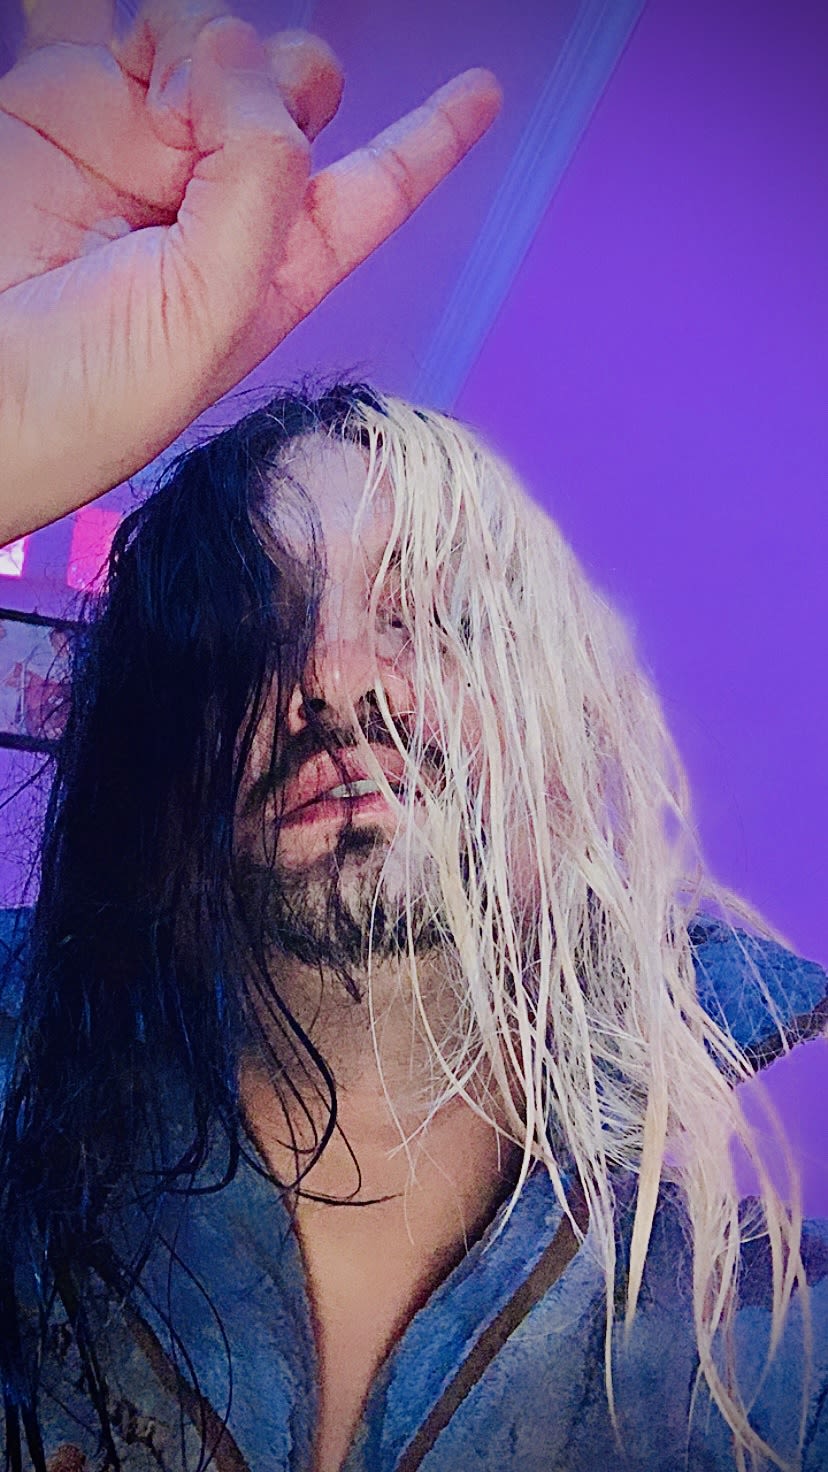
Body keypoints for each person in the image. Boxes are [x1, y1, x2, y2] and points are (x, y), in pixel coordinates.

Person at [0, 6, 826, 1472]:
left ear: (574, 727)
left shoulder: (782, 1359)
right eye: (248, 629)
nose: (331, 679)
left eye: (427, 613)